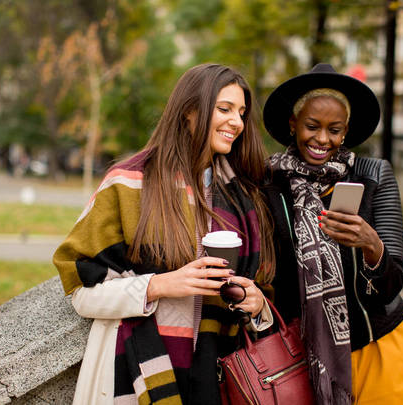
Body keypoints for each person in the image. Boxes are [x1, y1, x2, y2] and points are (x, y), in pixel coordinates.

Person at [53, 63, 276, 405]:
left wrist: (257, 304)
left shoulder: (243, 197)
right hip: (136, 378)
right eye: (224, 109)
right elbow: (82, 291)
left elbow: (261, 298)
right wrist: (159, 285)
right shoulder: (129, 182)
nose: (237, 122)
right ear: (189, 111)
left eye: (242, 112)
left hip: (218, 382)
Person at [262, 63, 403, 404]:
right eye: (312, 126)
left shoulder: (373, 174)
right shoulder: (270, 184)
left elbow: (392, 283)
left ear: (346, 132)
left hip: (380, 347)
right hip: (302, 356)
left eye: (334, 130)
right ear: (293, 125)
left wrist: (371, 245)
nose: (322, 139)